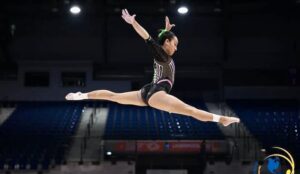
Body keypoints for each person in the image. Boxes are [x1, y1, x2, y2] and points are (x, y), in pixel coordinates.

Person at [65, 9, 240, 127]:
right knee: (190, 110)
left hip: (147, 91)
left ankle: (82, 95)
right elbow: (147, 38)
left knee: (114, 96)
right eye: (175, 43)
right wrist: (133, 23)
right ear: (167, 43)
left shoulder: (163, 55)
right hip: (157, 93)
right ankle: (221, 119)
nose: (176, 48)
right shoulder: (162, 54)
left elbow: (159, 42)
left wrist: (166, 31)